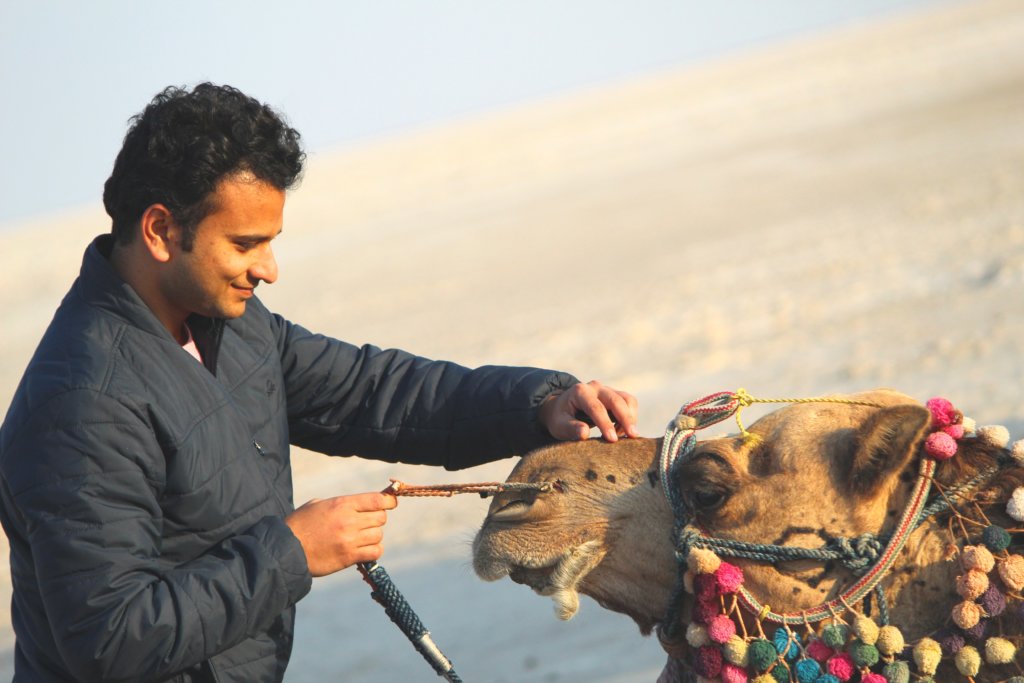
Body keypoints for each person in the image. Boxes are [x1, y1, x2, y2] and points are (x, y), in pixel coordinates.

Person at [0, 83, 638, 683]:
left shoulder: (235, 324)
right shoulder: (81, 404)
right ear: (161, 231)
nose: (268, 269)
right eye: (246, 243)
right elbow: (109, 637)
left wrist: (543, 405)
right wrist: (293, 551)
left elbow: (372, 392)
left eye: (271, 242)